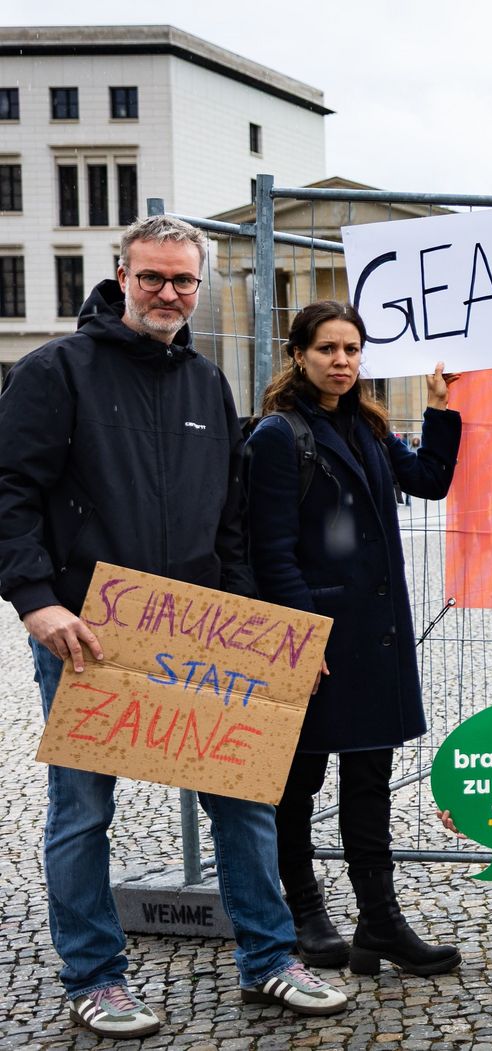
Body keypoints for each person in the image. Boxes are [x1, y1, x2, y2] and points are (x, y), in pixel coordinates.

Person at [0, 216, 348, 1038]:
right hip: (87, 625)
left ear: (200, 286)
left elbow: (229, 522)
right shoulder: (56, 371)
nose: (168, 293)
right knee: (83, 812)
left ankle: (269, 959)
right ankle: (94, 975)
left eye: (183, 281)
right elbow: (10, 489)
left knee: (244, 801)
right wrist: (35, 599)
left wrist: (257, 628)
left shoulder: (205, 382)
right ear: (122, 274)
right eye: (153, 277)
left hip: (198, 630)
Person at [244, 301, 462, 977]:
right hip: (317, 643)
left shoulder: (366, 425)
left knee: (369, 781)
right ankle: (304, 911)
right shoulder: (278, 436)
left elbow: (429, 479)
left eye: (352, 348)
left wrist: (439, 406)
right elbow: (271, 551)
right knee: (297, 781)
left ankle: (380, 923)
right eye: (328, 348)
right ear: (299, 355)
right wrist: (299, 644)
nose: (341, 360)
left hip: (376, 639)